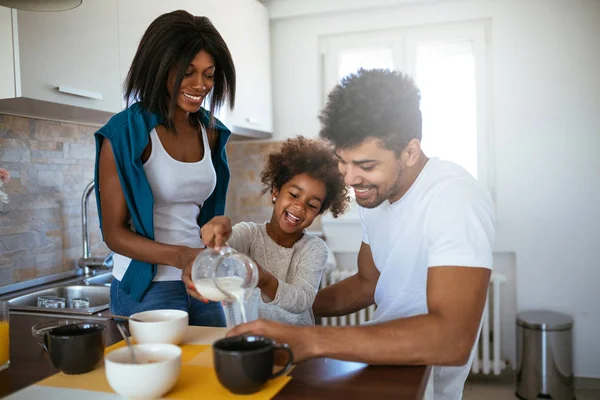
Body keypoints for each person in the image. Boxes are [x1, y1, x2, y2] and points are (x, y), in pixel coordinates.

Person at [227, 69, 496, 399]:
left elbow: (452, 339)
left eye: (366, 165)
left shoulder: (454, 198)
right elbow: (368, 282)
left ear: (410, 151)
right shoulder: (376, 198)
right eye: (343, 161)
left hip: (423, 379)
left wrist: (310, 341)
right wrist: (285, 309)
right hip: (381, 361)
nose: (351, 179)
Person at [93, 10, 236, 326]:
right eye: (187, 72)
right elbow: (114, 234)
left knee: (211, 366)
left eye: (209, 74)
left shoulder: (211, 132)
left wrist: (219, 226)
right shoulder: (124, 135)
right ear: (158, 67)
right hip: (148, 287)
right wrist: (182, 256)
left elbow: (202, 216)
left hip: (199, 279)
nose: (200, 85)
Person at [191, 136, 349, 326]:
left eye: (312, 204)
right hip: (250, 338)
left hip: (296, 341)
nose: (299, 207)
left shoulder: (314, 249)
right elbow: (215, 250)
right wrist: (217, 230)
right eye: (293, 195)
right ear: (275, 192)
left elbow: (302, 300)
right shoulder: (249, 235)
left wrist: (262, 278)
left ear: (319, 212)